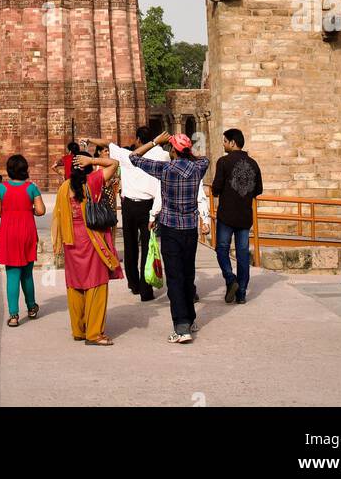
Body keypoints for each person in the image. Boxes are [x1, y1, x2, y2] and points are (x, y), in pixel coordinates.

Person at [124, 130, 209, 344]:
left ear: (172, 150)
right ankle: (189, 319)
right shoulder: (199, 167)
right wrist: (185, 151)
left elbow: (133, 157)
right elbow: (202, 158)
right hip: (190, 229)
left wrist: (155, 141)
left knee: (175, 277)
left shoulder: (165, 169)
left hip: (171, 228)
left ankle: (181, 327)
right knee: (188, 273)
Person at [81, 126, 165, 302]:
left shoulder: (127, 156)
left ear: (139, 140)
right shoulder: (161, 155)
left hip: (129, 206)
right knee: (148, 247)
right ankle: (145, 289)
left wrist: (89, 140)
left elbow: (107, 143)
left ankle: (134, 284)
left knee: (131, 245)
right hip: (149, 206)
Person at [52, 152, 122, 345]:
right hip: (92, 239)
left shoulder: (65, 187)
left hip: (71, 240)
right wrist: (92, 160)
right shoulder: (93, 181)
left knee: (75, 284)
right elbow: (114, 164)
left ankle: (79, 329)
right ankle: (94, 333)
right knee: (96, 283)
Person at [0, 154, 46, 327]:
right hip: (27, 231)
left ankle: (14, 315)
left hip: (9, 232)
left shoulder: (1, 188)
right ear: (25, 169)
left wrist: (9, 212)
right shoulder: (31, 188)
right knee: (27, 273)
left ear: (9, 170)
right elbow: (41, 210)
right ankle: (31, 307)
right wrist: (27, 210)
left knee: (12, 274)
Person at [211, 129, 263, 305]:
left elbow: (216, 189)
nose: (224, 144)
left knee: (222, 250)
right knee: (242, 254)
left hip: (226, 215)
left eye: (225, 141)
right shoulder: (253, 163)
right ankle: (241, 293)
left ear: (233, 142)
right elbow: (258, 190)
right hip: (244, 216)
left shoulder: (224, 162)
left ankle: (230, 278)